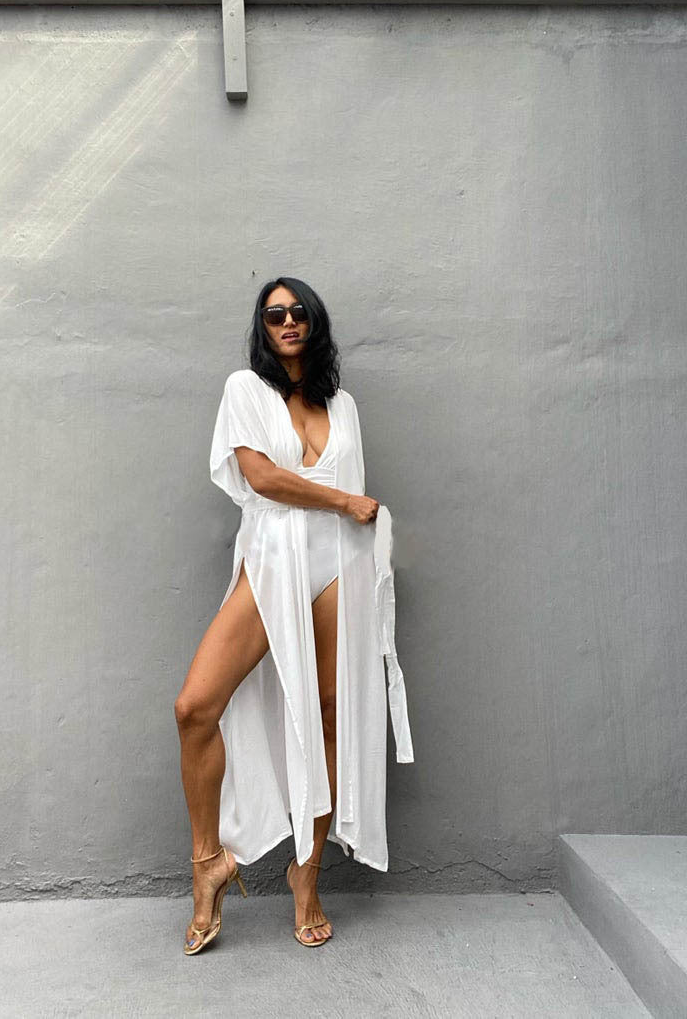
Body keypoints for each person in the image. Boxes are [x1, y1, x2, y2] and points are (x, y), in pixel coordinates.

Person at [174, 277, 414, 955]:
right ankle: (209, 861)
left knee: (332, 714)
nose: (287, 321)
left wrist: (353, 518)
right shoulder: (245, 390)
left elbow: (349, 492)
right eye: (274, 313)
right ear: (263, 325)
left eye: (297, 311)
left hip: (339, 562)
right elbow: (261, 477)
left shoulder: (343, 404)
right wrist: (344, 501)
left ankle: (306, 875)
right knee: (195, 707)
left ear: (314, 321)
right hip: (276, 556)